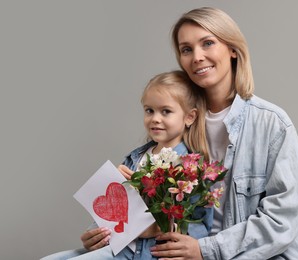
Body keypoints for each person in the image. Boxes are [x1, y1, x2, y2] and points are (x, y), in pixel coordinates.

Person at [146, 7, 298, 259]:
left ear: (233, 50)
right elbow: (154, 202)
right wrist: (104, 227)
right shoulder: (180, 121)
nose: (197, 57)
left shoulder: (272, 124)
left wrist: (205, 250)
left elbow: (282, 220)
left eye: (208, 43)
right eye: (187, 49)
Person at [41, 70, 212, 260]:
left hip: (145, 254)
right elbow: (113, 212)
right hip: (117, 247)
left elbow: (199, 227)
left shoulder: (189, 169)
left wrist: (156, 227)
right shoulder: (135, 159)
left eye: (166, 111)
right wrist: (95, 233)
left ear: (189, 117)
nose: (155, 118)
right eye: (149, 110)